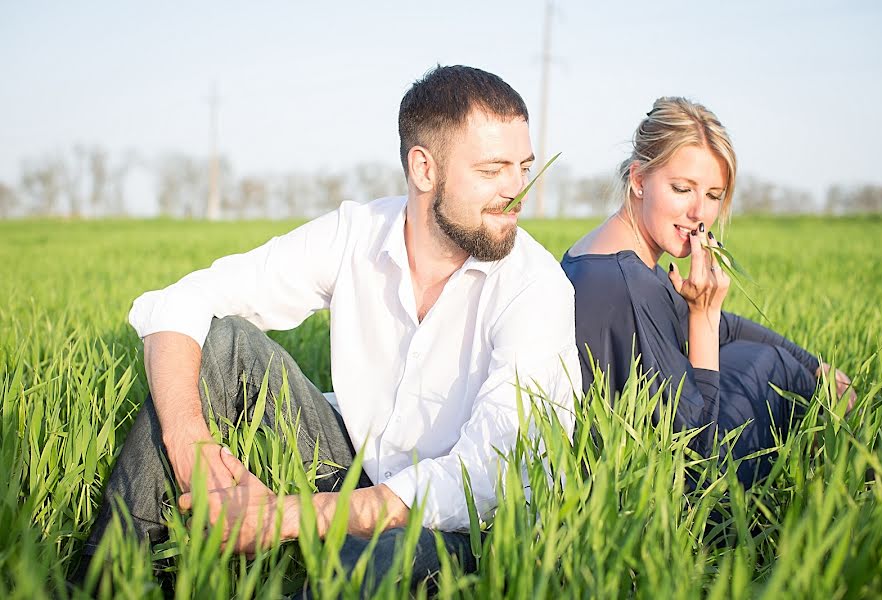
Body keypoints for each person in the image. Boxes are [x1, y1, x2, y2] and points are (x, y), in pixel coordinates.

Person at [80, 65, 580, 594]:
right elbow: (179, 303)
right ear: (423, 168)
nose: (516, 189)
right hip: (357, 466)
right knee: (224, 343)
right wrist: (189, 443)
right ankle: (108, 581)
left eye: (522, 166)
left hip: (468, 522)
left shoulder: (536, 286)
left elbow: (492, 473)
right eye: (492, 169)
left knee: (384, 561)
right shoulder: (355, 233)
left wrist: (284, 517)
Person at [560, 97, 854, 487]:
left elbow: (727, 328)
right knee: (771, 364)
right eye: (683, 189)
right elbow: (702, 456)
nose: (700, 211)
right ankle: (838, 475)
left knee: (761, 355)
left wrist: (817, 365)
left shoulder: (601, 250)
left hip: (639, 455)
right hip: (674, 495)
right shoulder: (630, 285)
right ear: (639, 180)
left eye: (714, 195)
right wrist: (703, 317)